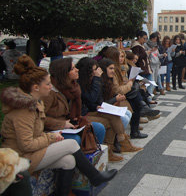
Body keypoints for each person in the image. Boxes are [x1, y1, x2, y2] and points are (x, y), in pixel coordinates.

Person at [0, 55, 117, 196]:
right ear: (36, 87)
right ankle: (95, 177)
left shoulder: (35, 103)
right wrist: (51, 137)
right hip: (19, 156)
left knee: (68, 161)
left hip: (30, 150)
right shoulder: (24, 110)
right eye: (48, 84)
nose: (51, 87)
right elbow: (26, 144)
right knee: (71, 145)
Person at [42, 58, 126, 162]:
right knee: (87, 133)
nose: (77, 70)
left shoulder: (73, 86)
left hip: (75, 119)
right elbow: (40, 118)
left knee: (106, 123)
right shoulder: (51, 93)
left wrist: (95, 106)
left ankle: (98, 156)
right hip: (59, 126)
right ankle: (88, 162)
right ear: (64, 73)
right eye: (73, 68)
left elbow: (94, 100)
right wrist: (62, 124)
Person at [75, 57, 141, 155]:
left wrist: (97, 105)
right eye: (95, 70)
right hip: (83, 114)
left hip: (93, 109)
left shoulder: (96, 81)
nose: (98, 71)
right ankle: (114, 146)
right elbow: (92, 98)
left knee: (116, 115)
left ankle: (117, 145)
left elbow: (96, 100)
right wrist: (97, 80)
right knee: (111, 120)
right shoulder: (86, 82)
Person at [131, 31, 154, 95]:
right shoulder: (136, 46)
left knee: (150, 83)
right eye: (144, 38)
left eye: (146, 38)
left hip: (146, 68)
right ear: (139, 37)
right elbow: (137, 57)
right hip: (142, 69)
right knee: (144, 85)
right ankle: (147, 98)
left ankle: (149, 97)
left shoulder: (141, 46)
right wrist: (146, 53)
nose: (145, 40)